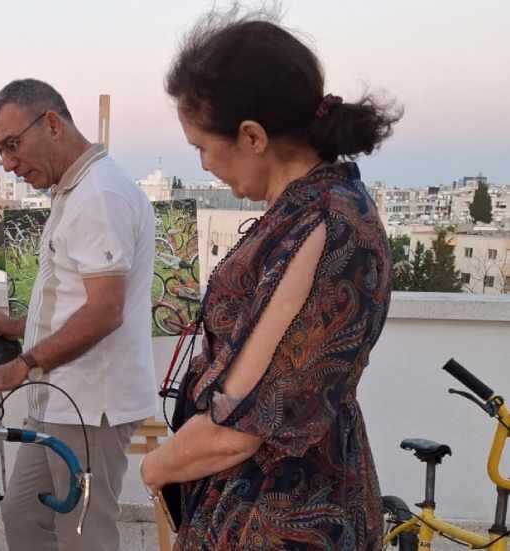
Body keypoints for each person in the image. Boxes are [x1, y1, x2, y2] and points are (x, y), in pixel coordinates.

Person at [138, 10, 402, 550]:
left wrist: (156, 467)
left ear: (252, 135)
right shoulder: (319, 208)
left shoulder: (322, 226)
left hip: (280, 517)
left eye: (201, 147)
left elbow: (240, 424)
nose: (204, 164)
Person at [0, 79, 157, 551]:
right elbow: (79, 297)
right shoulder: (74, 189)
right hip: (61, 395)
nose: (8, 163)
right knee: (23, 514)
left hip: (91, 402)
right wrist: (23, 326)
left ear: (53, 125)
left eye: (12, 145)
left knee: (84, 534)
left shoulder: (100, 194)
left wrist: (24, 362)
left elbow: (105, 310)